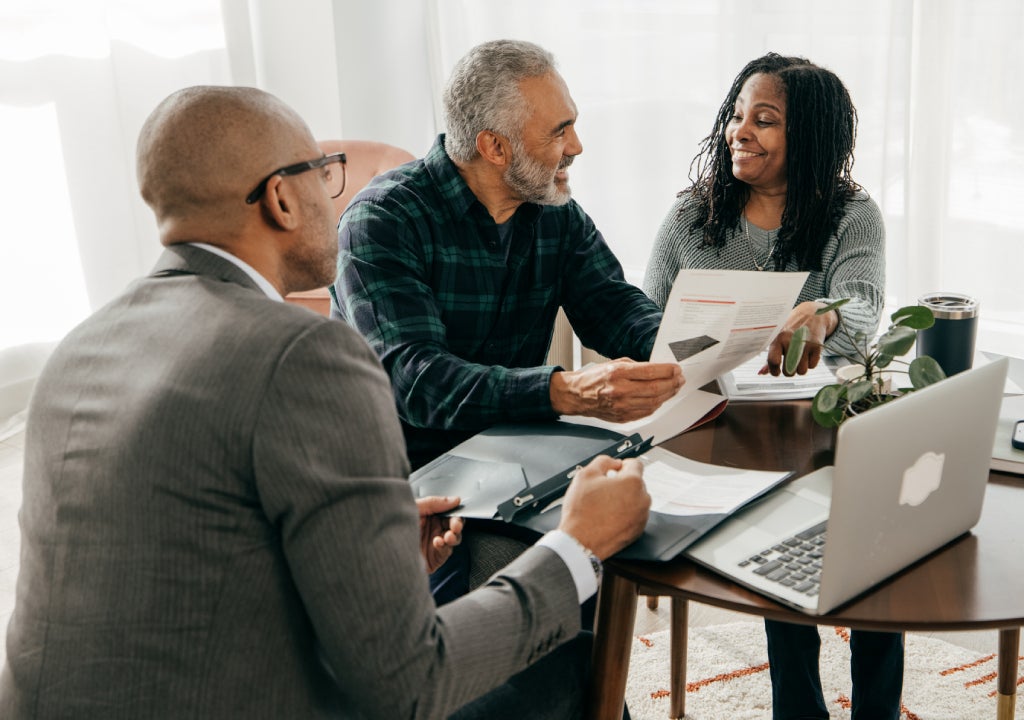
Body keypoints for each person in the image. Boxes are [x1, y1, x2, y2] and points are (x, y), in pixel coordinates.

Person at [0, 85, 652, 720]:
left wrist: (374, 546)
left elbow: (192, 553)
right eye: (324, 172)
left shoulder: (77, 349)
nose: (335, 193)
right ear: (282, 197)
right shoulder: (304, 355)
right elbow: (410, 686)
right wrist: (574, 546)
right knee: (573, 664)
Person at [330, 38, 683, 605]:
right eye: (558, 131)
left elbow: (616, 309)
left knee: (617, 548)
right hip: (405, 476)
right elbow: (419, 382)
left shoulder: (554, 211)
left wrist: (699, 343)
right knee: (509, 607)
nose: (577, 146)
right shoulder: (382, 220)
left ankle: (593, 694)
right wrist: (564, 392)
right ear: (494, 147)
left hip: (514, 456)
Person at [643, 54, 901, 720]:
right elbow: (646, 319)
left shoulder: (850, 214)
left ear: (808, 137)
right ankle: (799, 708)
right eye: (736, 115)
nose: (740, 131)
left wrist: (829, 311)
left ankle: (877, 709)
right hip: (728, 431)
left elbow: (865, 306)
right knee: (777, 556)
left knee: (879, 557)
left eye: (765, 120)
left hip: (828, 428)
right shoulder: (690, 218)